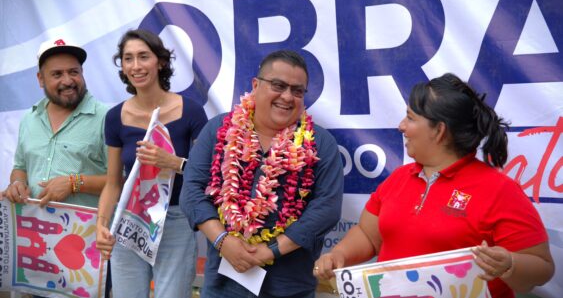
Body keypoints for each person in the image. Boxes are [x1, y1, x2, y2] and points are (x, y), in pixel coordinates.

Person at [314, 73, 554, 298]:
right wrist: (339, 255)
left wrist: (510, 263)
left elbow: (542, 267)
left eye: (410, 118)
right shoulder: (399, 178)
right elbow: (368, 235)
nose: (401, 126)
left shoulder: (499, 190)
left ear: (439, 131)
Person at [181, 50, 344, 298]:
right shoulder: (219, 130)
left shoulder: (320, 143)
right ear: (256, 86)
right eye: (278, 85)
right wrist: (224, 241)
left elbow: (327, 208)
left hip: (289, 286)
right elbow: (192, 191)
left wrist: (271, 251)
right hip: (224, 283)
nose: (287, 97)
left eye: (297, 90)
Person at [95, 29, 208, 298]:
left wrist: (174, 162)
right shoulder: (115, 117)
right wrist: (101, 223)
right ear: (122, 66)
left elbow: (210, 176)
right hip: (129, 219)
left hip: (177, 220)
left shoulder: (190, 111)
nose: (136, 66)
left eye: (143, 57)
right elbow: (113, 183)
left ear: (161, 62)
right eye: (128, 58)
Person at [0, 38, 110, 298]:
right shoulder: (30, 118)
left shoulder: (106, 117)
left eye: (74, 72)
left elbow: (123, 181)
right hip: (32, 251)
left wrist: (75, 183)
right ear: (40, 79)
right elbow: (20, 166)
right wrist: (17, 183)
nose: (68, 80)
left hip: (84, 254)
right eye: (57, 74)